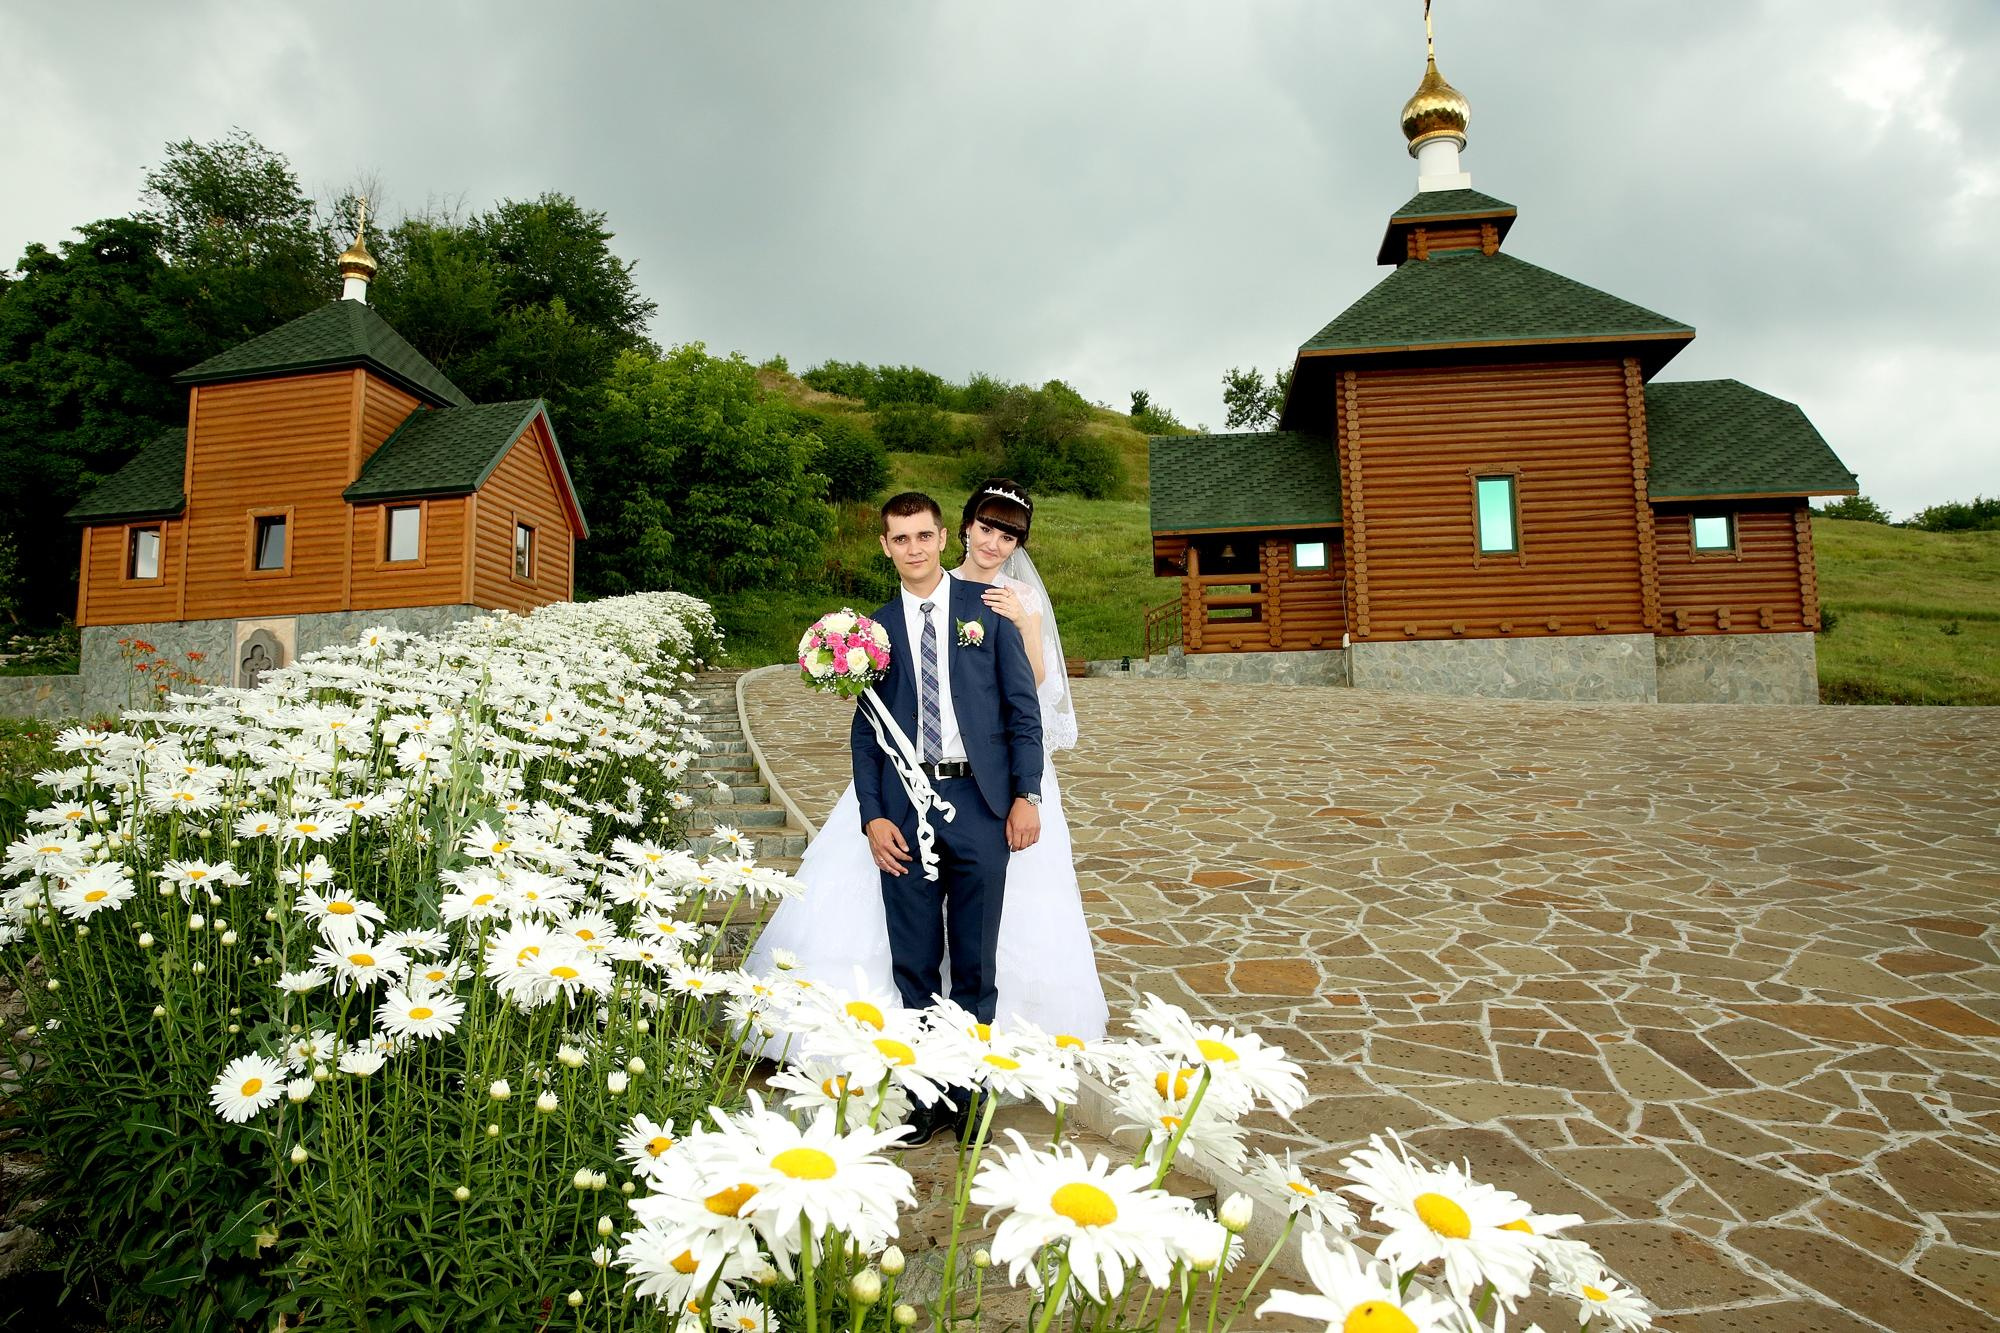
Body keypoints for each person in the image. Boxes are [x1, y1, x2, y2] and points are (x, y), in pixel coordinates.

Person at [746, 482, 1109, 1130]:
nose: (914, 548)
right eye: (901, 538)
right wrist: (872, 815)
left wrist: (1026, 795)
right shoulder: (875, 629)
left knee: (974, 963)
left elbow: (1025, 712)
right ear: (888, 546)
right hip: (905, 802)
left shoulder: (992, 611)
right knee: (912, 961)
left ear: (941, 538)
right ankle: (924, 1097)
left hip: (981, 799)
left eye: (923, 535)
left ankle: (968, 1095)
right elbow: (867, 732)